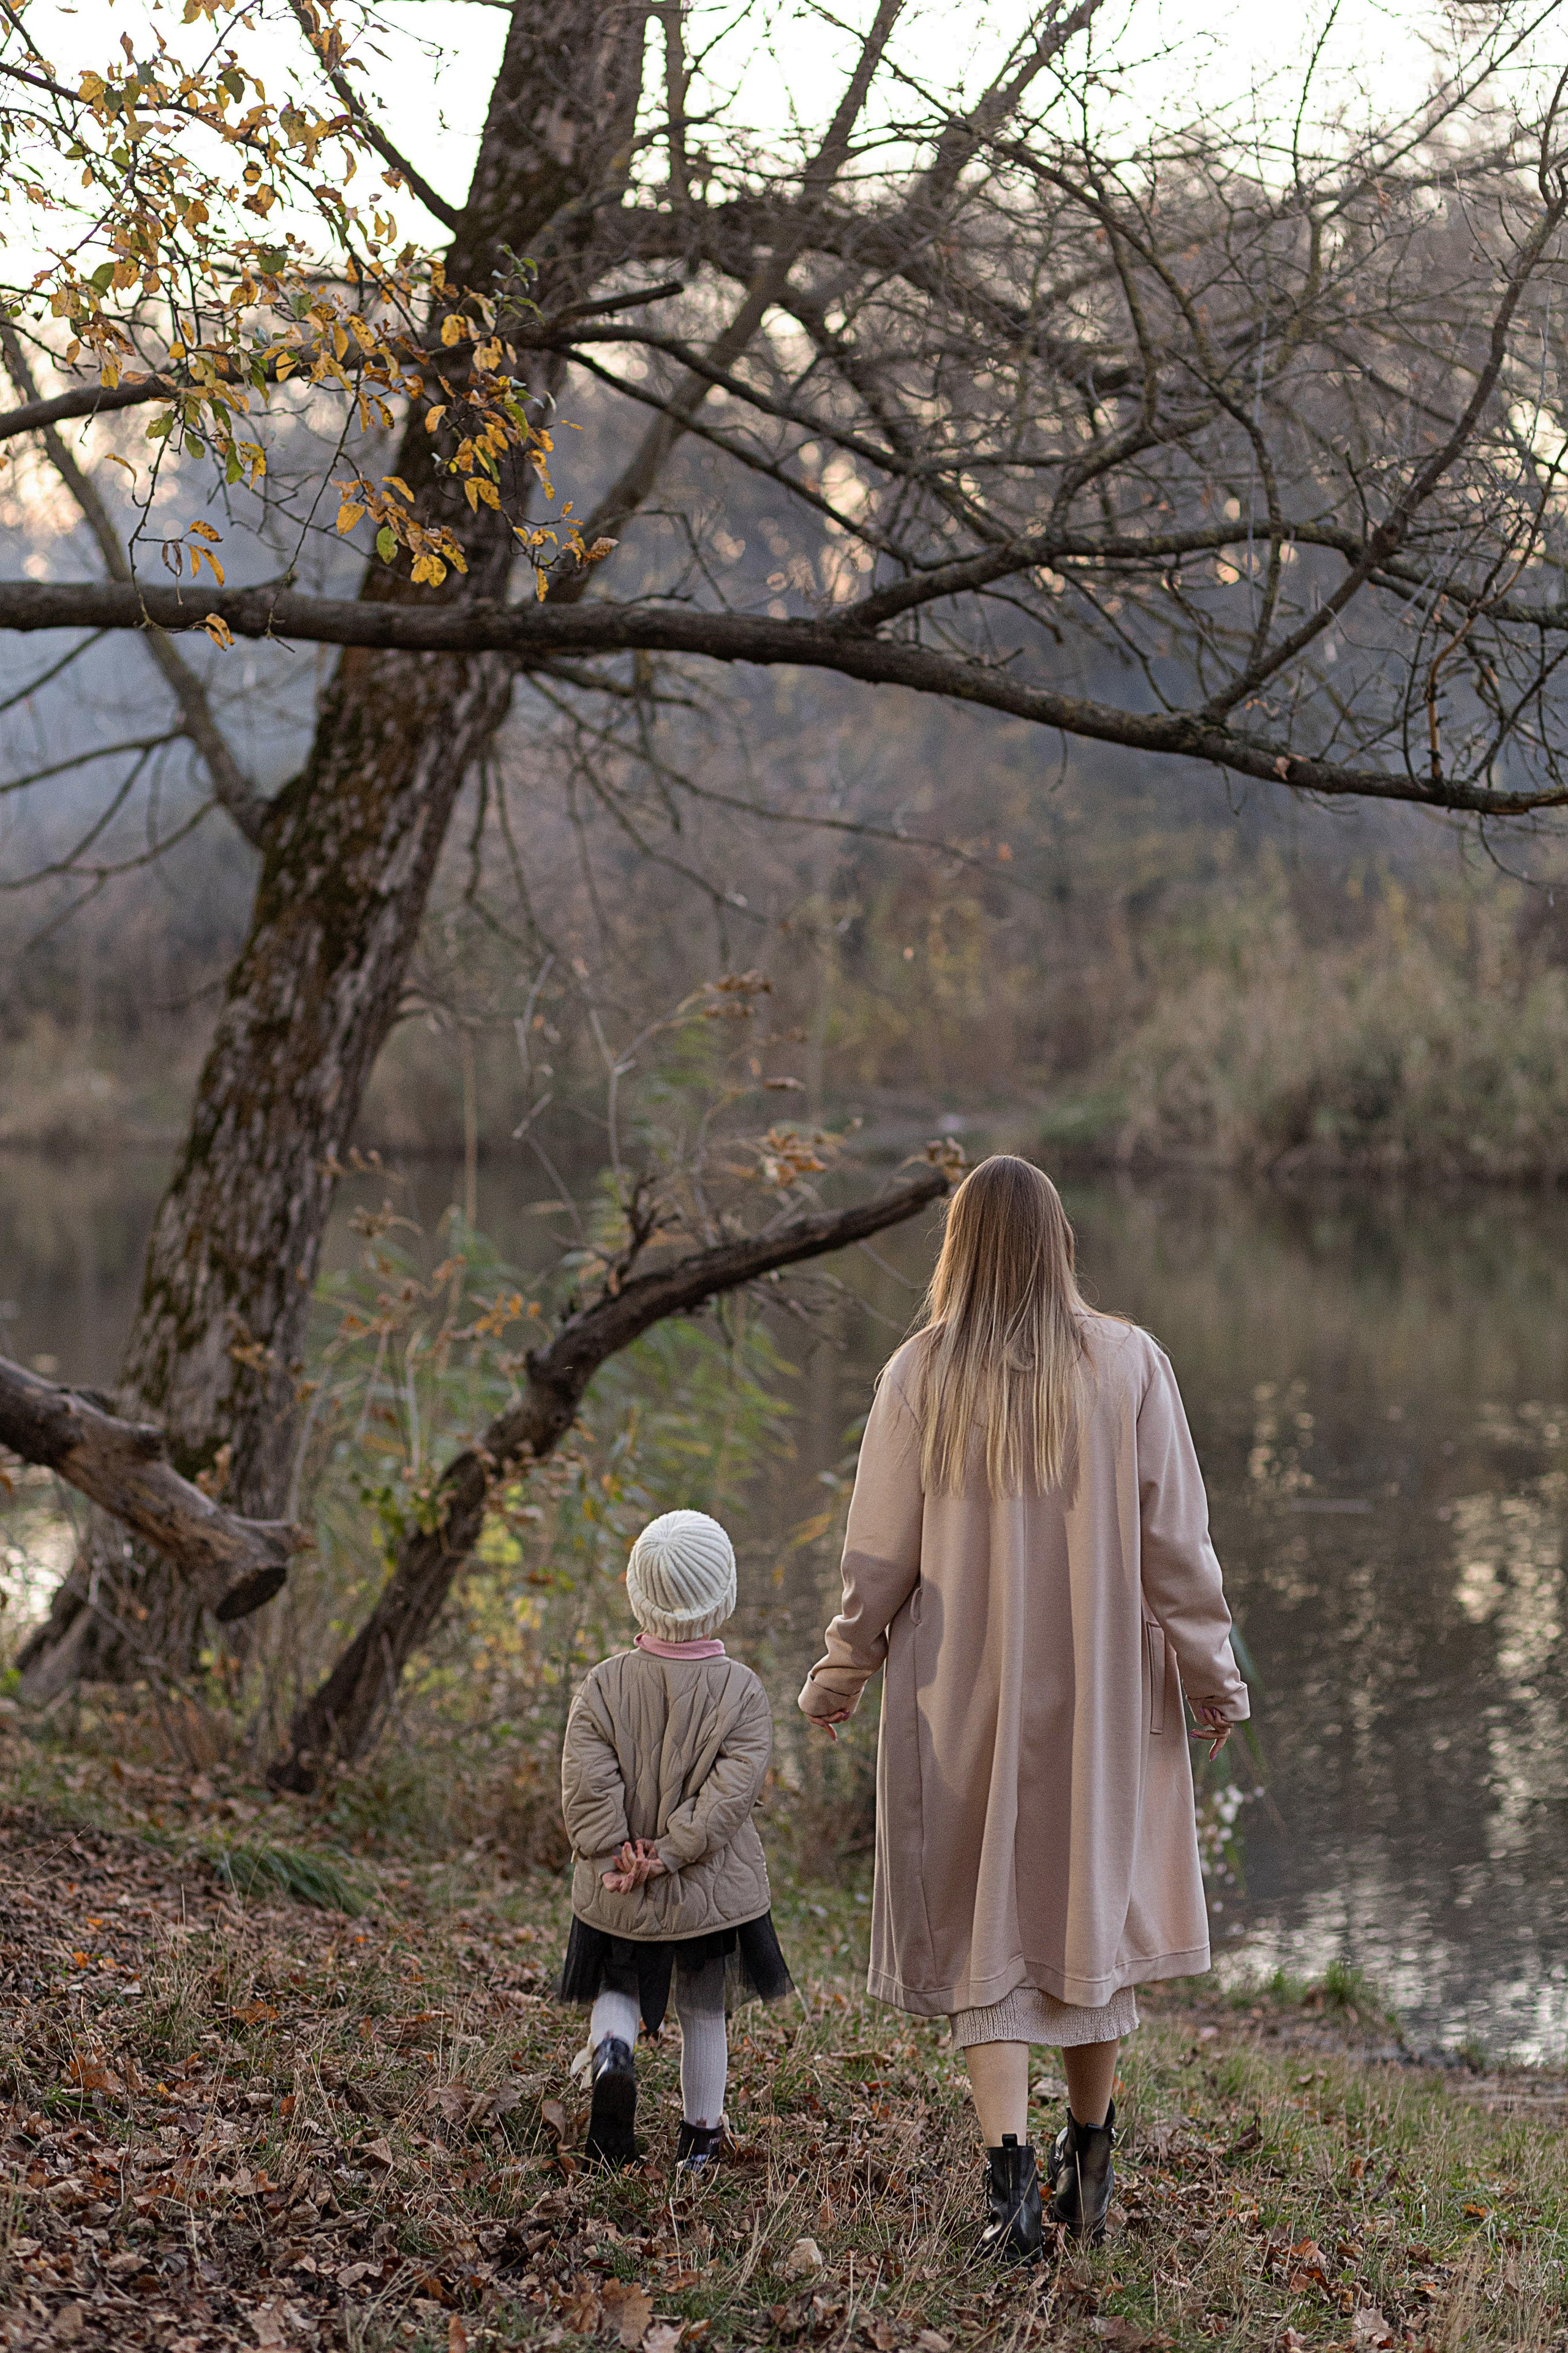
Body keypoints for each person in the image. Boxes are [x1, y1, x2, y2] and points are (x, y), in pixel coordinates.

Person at [798, 1155, 1249, 2260]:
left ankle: (1010, 2194)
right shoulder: (1130, 1363)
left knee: (983, 1930)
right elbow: (1176, 1548)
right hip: (1101, 1696)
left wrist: (843, 1668)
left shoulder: (920, 1373)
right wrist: (1211, 1674)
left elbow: (877, 1557)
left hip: (961, 1698)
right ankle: (1088, 2168)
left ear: (958, 1247)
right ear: (1059, 1245)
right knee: (1084, 1913)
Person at [557, 1507, 793, 2172]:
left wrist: (617, 1853)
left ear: (637, 1593)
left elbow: (585, 1777)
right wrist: (671, 1851)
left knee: (617, 1982)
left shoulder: (603, 1683)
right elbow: (730, 1795)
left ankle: (613, 2053)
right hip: (705, 1893)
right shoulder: (742, 1692)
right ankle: (700, 2137)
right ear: (724, 1599)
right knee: (702, 2007)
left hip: (617, 1885)